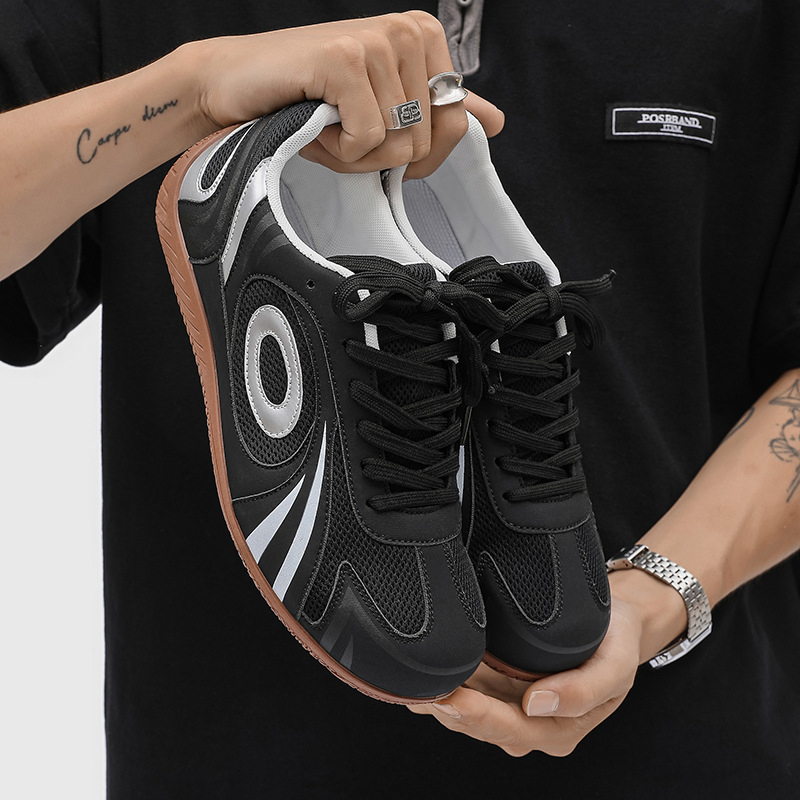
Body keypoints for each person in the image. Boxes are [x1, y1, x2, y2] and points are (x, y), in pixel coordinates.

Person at [1, 1, 799, 797]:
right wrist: (194, 88)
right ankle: (257, 210)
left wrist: (662, 592)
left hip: (690, 740)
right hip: (233, 750)